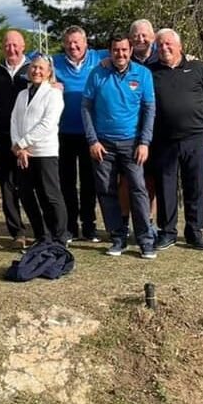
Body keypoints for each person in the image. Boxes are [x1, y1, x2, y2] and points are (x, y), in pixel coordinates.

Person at [81, 34, 157, 259]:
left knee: (138, 190)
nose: (120, 54)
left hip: (132, 143)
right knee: (106, 190)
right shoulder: (98, 73)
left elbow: (149, 110)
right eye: (116, 50)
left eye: (124, 50)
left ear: (130, 50)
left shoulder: (142, 74)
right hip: (103, 145)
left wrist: (144, 142)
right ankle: (118, 237)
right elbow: (85, 108)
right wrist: (92, 140)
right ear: (110, 51)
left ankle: (145, 240)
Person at [148, 29, 203, 251]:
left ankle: (195, 232)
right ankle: (167, 232)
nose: (164, 48)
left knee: (195, 186)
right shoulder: (150, 72)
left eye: (169, 44)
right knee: (166, 188)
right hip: (163, 140)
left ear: (180, 46)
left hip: (197, 138)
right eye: (160, 45)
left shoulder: (197, 68)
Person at [0, 30, 38, 248]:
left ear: (23, 46)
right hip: (4, 139)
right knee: (7, 188)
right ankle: (17, 233)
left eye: (15, 45)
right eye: (7, 45)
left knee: (30, 186)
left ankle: (39, 229)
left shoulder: (33, 69)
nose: (11, 49)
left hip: (29, 140)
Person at [52, 26, 106, 242]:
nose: (73, 46)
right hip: (63, 133)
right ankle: (70, 226)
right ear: (64, 44)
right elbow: (27, 60)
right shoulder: (54, 61)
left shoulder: (100, 56)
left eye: (77, 42)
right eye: (69, 43)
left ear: (86, 43)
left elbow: (131, 51)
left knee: (89, 182)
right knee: (66, 182)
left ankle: (89, 225)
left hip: (90, 133)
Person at [11, 54, 68, 245]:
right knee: (26, 196)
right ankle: (42, 235)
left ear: (48, 72)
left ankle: (59, 237)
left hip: (45, 152)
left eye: (41, 68)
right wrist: (19, 147)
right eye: (34, 67)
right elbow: (14, 121)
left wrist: (23, 142)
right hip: (24, 154)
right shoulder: (21, 94)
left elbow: (48, 124)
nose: (36, 71)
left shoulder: (54, 94)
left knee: (50, 196)